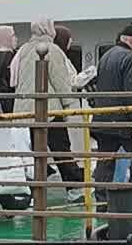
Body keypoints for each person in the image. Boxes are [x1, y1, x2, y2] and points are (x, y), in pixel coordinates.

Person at [91, 25, 132, 209]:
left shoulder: (106, 56)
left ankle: (102, 202)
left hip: (103, 119)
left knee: (105, 162)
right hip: (123, 120)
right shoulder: (131, 58)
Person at [11, 19, 84, 185]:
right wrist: (70, 106)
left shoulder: (23, 50)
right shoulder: (53, 49)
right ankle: (74, 187)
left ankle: (36, 187)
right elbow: (60, 81)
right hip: (49, 109)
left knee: (35, 152)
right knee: (61, 149)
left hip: (24, 110)